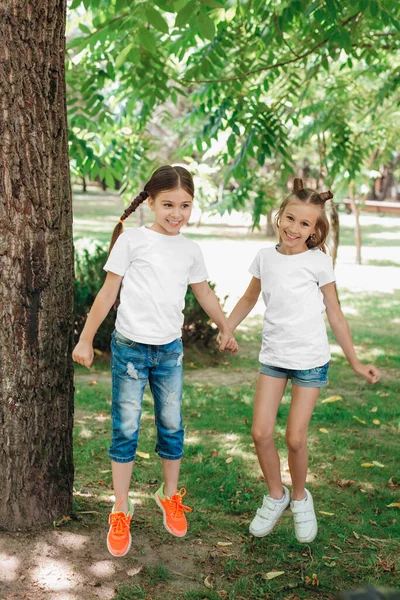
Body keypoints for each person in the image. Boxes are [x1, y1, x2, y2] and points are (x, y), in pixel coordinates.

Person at [72, 165, 238, 557]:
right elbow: (107, 294)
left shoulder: (190, 250)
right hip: (130, 350)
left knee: (171, 423)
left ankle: (168, 494)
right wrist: (85, 338)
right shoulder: (132, 242)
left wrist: (226, 327)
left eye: (185, 205)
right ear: (150, 202)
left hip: (169, 352)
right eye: (168, 204)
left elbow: (205, 294)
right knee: (126, 428)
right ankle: (121, 506)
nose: (177, 213)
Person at [220, 178, 380, 544]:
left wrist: (355, 362)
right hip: (273, 358)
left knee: (295, 438)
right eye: (290, 219)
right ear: (280, 216)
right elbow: (247, 299)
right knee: (260, 433)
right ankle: (276, 496)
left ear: (315, 229)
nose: (294, 228)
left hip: (309, 360)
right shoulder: (264, 257)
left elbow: (335, 315)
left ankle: (299, 497)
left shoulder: (318, 262)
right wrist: (227, 327)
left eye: (305, 224)